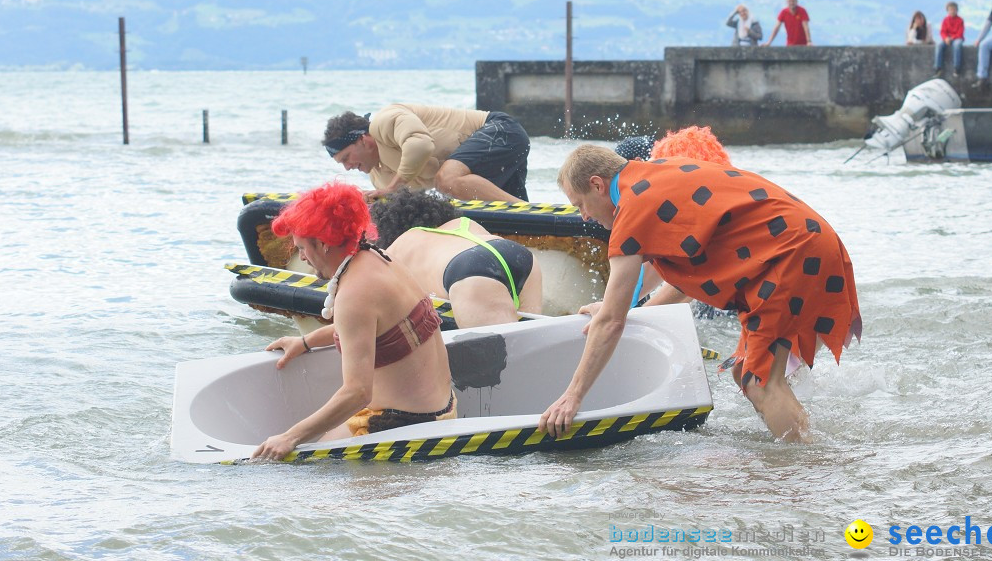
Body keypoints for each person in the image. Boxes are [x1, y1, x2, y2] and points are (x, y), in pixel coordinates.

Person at [538, 145, 862, 443]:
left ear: (597, 184)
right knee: (743, 370)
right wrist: (618, 306)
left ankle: (808, 471)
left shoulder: (631, 207)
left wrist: (573, 397)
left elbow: (610, 323)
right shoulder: (650, 180)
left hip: (793, 255)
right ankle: (799, 442)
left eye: (579, 205)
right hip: (806, 245)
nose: (583, 216)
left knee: (759, 381)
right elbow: (666, 272)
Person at [250, 181, 454, 461]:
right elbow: (374, 328)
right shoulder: (382, 259)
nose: (301, 257)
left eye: (301, 248)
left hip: (404, 427)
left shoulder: (354, 293)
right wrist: (306, 341)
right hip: (444, 411)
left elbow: (357, 393)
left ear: (322, 244)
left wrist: (289, 436)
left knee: (294, 470)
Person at [370, 189, 543, 327]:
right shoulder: (462, 222)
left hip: (469, 269)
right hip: (519, 255)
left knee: (500, 362)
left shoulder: (400, 245)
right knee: (533, 339)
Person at [323, 104, 530, 204]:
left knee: (447, 180)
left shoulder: (384, 122)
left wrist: (394, 187)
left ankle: (526, 213)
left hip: (502, 131)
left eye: (346, 158)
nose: (347, 167)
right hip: (484, 169)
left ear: (363, 140)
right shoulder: (379, 178)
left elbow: (420, 145)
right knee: (506, 221)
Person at [933, 2, 965, 75]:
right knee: (939, 45)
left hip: (957, 38)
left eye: (954, 10)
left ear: (957, 10)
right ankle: (938, 67)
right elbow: (942, 32)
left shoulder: (960, 20)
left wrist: (952, 38)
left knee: (957, 46)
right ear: (947, 11)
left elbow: (960, 33)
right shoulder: (945, 20)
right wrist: (946, 38)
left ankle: (957, 67)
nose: (952, 11)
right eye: (950, 10)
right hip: (947, 39)